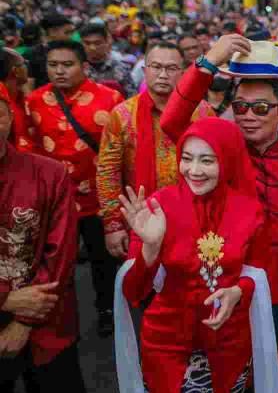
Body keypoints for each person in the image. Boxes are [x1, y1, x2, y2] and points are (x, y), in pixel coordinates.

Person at [161, 35, 278, 393]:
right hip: (226, 286)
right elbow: (172, 124)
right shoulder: (221, 153)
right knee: (232, 376)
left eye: (260, 108)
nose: (248, 117)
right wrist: (208, 62)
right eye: (240, 107)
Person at [116, 118, 278, 393]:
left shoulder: (250, 211)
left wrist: (237, 292)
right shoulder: (159, 206)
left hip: (229, 343)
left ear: (227, 159)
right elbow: (133, 292)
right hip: (167, 343)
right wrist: (151, 247)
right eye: (187, 158)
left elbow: (260, 272)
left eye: (207, 160)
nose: (194, 170)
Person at [24, 40, 124, 337]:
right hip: (52, 201)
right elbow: (28, 147)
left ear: (84, 66)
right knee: (54, 262)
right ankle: (55, 317)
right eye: (53, 65)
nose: (59, 71)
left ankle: (107, 309)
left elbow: (121, 151)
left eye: (67, 65)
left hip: (98, 198)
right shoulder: (36, 101)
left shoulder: (110, 99)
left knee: (102, 260)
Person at [0, 83, 86, 392]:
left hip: (47, 316)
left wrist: (24, 321)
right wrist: (5, 298)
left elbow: (61, 252)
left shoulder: (48, 173)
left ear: (9, 117)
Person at [97, 42, 215, 258]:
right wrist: (113, 225)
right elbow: (107, 173)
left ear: (183, 72)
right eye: (156, 67)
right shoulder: (122, 115)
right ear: (144, 70)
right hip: (139, 219)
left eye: (171, 69)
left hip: (195, 217)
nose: (163, 75)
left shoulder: (203, 113)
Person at [81, 23, 136, 98]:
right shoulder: (78, 69)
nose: (92, 48)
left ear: (107, 42)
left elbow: (132, 99)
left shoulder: (122, 69)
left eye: (97, 43)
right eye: (87, 43)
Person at [0, 48, 30, 149]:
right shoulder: (4, 107)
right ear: (16, 71)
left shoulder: (19, 97)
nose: (27, 66)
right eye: (24, 63)